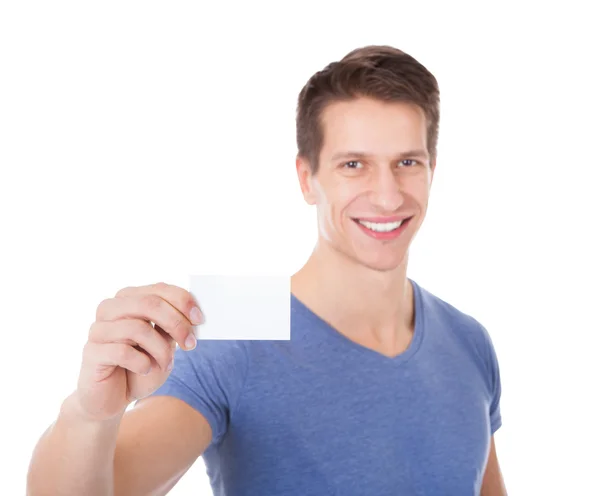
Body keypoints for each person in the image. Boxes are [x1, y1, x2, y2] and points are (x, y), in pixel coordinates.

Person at [27, 45, 507, 496]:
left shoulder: (467, 339)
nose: (386, 195)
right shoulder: (239, 317)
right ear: (307, 178)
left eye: (406, 162)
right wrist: (90, 416)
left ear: (431, 170)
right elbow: (110, 484)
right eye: (354, 164)